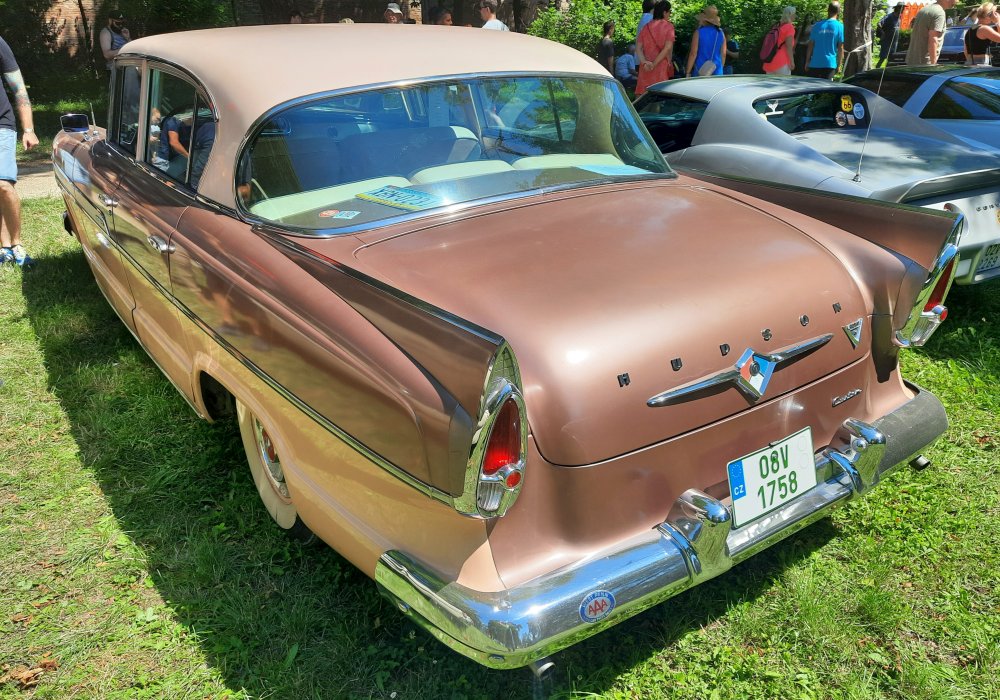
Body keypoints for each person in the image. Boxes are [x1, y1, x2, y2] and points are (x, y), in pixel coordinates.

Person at [0, 36, 38, 267]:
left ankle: (16, 244)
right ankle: (3, 248)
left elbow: (19, 89)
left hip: (1, 123)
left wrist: (28, 129)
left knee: (3, 184)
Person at [635, 1, 675, 96]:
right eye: (670, 11)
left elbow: (638, 48)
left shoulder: (646, 26)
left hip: (645, 67)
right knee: (657, 97)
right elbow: (667, 48)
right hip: (660, 67)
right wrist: (654, 64)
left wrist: (644, 62)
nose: (670, 14)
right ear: (664, 12)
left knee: (641, 96)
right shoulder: (669, 26)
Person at [906, 0, 958, 65]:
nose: (957, 1)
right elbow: (933, 38)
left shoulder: (924, 9)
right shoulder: (939, 12)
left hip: (912, 60)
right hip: (925, 64)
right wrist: (933, 63)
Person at [805, 2, 844, 79]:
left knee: (813, 89)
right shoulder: (840, 26)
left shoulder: (817, 25)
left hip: (815, 63)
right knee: (826, 90)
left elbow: (811, 45)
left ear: (828, 10)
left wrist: (807, 61)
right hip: (829, 64)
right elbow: (840, 48)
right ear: (838, 11)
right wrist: (839, 64)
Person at [686, 5, 725, 77]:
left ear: (704, 19)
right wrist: (719, 69)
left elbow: (693, 54)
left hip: (700, 70)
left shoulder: (698, 32)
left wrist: (688, 72)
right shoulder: (721, 33)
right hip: (717, 71)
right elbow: (723, 54)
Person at [763, 6, 797, 74]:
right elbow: (789, 47)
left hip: (769, 60)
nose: (795, 16)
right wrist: (792, 61)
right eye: (794, 14)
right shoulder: (789, 27)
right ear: (790, 14)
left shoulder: (776, 26)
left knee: (768, 84)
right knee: (784, 84)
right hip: (782, 62)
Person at [876, 3, 904, 68]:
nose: (903, 10)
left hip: (894, 42)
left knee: (891, 59)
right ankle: (876, 70)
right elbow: (879, 23)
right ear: (898, 8)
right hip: (887, 42)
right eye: (902, 8)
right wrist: (883, 33)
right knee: (882, 58)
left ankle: (886, 72)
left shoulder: (899, 17)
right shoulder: (889, 16)